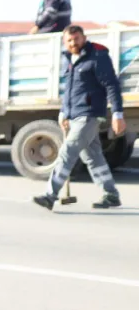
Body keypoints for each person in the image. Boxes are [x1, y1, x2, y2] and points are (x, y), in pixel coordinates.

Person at [33, 25, 126, 211]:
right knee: (93, 157)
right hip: (74, 115)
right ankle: (111, 195)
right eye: (69, 40)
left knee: (68, 151)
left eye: (76, 39)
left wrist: (118, 114)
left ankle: (50, 195)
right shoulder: (70, 60)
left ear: (84, 38)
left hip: (89, 115)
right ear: (65, 42)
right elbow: (70, 91)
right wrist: (63, 112)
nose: (73, 43)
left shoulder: (98, 56)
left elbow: (112, 85)